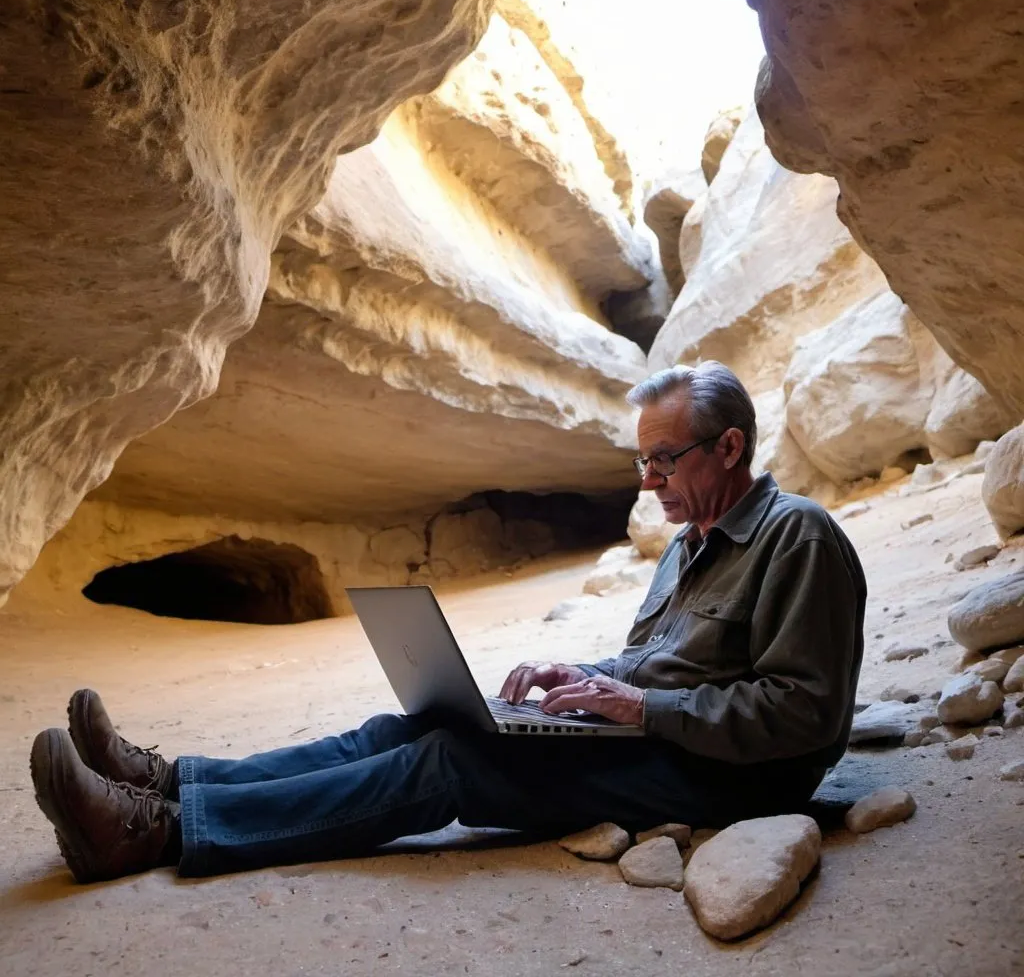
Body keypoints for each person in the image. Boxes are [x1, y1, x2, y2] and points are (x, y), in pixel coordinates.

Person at [30, 361, 866, 883]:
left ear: (728, 449)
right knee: (410, 724)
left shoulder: (799, 536)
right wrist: (582, 678)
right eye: (642, 460)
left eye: (665, 458)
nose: (650, 479)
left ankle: (158, 836)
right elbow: (659, 660)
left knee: (446, 764)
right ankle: (175, 780)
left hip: (726, 778)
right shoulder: (691, 545)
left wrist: (641, 710)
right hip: (654, 740)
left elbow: (803, 714)